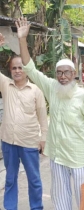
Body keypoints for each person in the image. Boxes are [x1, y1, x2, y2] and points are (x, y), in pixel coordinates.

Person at [16, 17, 84, 210]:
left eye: (66, 73)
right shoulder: (51, 88)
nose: (62, 76)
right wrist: (22, 39)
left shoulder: (83, 96)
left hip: (79, 158)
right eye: (59, 73)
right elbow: (30, 68)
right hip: (57, 157)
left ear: (73, 74)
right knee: (61, 201)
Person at [0, 34, 48, 210]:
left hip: (29, 143)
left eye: (20, 67)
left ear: (26, 70)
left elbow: (43, 117)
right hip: (8, 142)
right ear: (10, 70)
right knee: (10, 178)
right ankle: (10, 207)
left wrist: (43, 139)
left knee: (34, 179)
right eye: (14, 68)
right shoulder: (5, 85)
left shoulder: (36, 91)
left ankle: (36, 207)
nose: (18, 71)